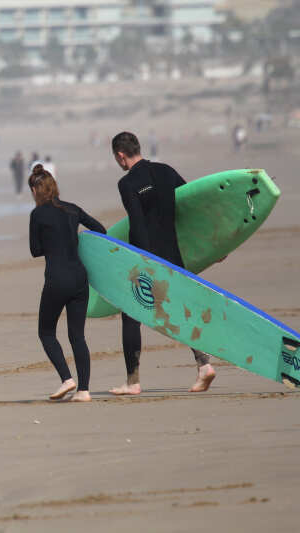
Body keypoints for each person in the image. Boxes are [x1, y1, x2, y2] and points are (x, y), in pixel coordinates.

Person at [110, 132, 215, 395]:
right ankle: (204, 365)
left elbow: (137, 225)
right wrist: (214, 245)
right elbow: (192, 206)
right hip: (173, 256)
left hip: (148, 259)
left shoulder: (127, 183)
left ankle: (132, 382)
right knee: (180, 309)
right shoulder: (166, 171)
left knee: (130, 315)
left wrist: (143, 262)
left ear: (121, 156)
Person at [29, 164, 106, 402]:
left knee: (46, 332)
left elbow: (35, 250)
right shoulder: (73, 209)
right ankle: (84, 390)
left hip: (57, 279)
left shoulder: (37, 215)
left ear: (36, 190)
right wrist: (76, 241)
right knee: (77, 336)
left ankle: (66, 378)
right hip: (79, 278)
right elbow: (100, 229)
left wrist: (53, 243)